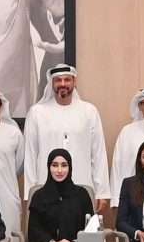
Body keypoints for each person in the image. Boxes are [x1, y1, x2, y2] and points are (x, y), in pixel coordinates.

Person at [22, 64, 107, 209]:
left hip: (82, 186)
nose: (63, 84)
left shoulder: (89, 111)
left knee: (80, 229)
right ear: (51, 83)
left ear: (74, 82)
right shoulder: (36, 112)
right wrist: (31, 192)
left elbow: (98, 154)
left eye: (67, 80)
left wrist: (102, 192)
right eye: (58, 80)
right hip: (45, 188)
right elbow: (30, 155)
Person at [24, 148, 95, 242]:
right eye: (55, 165)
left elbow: (90, 227)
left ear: (70, 167)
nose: (59, 170)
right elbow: (34, 230)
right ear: (49, 167)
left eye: (64, 165)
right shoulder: (39, 196)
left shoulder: (81, 194)